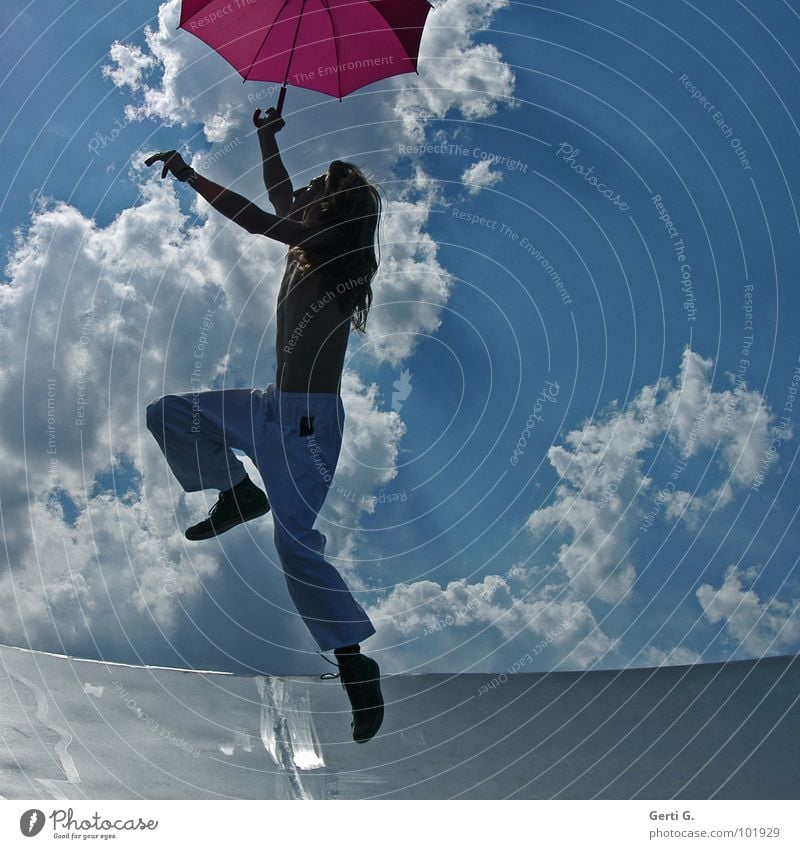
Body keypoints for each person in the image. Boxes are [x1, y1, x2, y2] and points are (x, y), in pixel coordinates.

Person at [143, 106, 383, 743]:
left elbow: (262, 217)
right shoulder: (310, 244)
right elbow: (280, 200)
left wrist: (192, 176)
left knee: (295, 546)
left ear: (335, 212)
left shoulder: (333, 254)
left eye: (316, 191)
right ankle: (238, 491)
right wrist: (265, 137)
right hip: (270, 405)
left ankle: (354, 661)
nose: (303, 192)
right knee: (170, 413)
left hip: (307, 427)